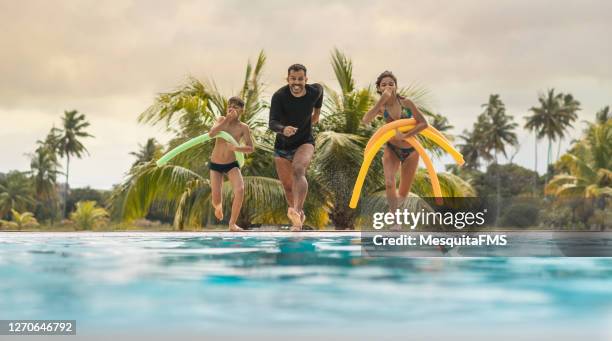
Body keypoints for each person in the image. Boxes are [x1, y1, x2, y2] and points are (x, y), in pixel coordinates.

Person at [361, 71, 428, 213]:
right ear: (379, 89)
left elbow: (424, 124)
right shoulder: (382, 107)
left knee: (403, 194)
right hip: (391, 149)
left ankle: (395, 212)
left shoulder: (406, 103)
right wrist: (381, 100)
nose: (388, 87)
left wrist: (405, 136)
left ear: (396, 86)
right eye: (384, 85)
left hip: (411, 151)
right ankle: (395, 221)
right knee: (389, 183)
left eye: (391, 84)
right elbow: (365, 120)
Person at [269, 64, 323, 231]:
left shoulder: (314, 91)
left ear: (306, 80)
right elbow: (272, 123)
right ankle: (297, 220)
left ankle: (297, 211)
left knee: (298, 169)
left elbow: (320, 92)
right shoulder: (279, 96)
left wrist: (317, 114)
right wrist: (283, 129)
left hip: (304, 141)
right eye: (293, 79)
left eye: (300, 79)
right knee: (287, 186)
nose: (297, 83)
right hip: (282, 146)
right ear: (288, 79)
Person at [208, 96, 255, 231]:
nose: (231, 109)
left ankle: (232, 224)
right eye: (230, 106)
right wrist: (227, 119)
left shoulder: (243, 127)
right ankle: (218, 206)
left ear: (242, 111)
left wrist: (236, 148)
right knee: (216, 201)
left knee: (240, 189)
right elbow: (211, 134)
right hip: (216, 164)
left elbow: (250, 148)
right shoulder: (221, 120)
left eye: (235, 107)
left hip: (232, 163)